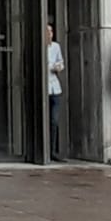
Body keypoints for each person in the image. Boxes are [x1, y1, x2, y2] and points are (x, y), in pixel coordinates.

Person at [47, 22, 65, 160]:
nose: (49, 34)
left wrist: (59, 67)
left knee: (54, 120)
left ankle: (53, 151)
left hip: (55, 88)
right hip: (43, 87)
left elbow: (61, 62)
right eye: (46, 31)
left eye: (51, 31)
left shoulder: (56, 46)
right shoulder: (37, 47)